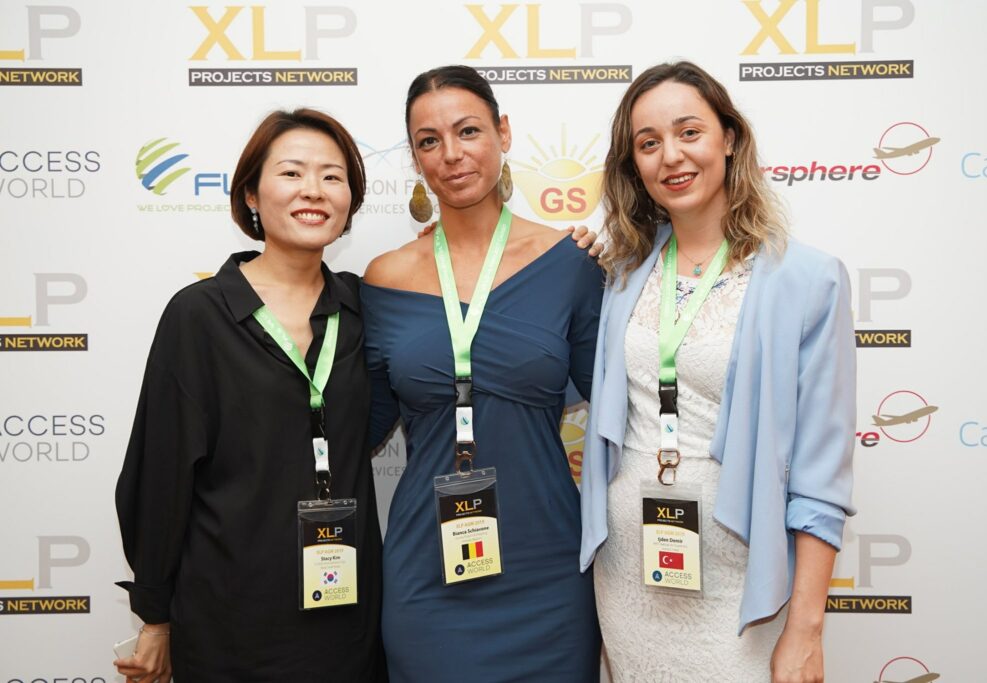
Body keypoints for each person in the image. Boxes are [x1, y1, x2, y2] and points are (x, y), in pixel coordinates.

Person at [580, 61, 856, 683]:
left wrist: (807, 629)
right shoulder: (620, 274)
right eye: (648, 143)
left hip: (742, 588)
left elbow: (821, 476)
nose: (671, 156)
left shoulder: (808, 280)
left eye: (689, 132)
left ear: (729, 138)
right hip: (629, 573)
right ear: (633, 165)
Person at [114, 109, 386, 681]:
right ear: (251, 195)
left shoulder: (367, 309)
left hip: (345, 619)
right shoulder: (199, 316)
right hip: (228, 621)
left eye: (332, 176)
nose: (313, 190)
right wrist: (155, 617)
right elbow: (159, 476)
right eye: (292, 172)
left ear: (350, 200)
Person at [361, 65, 603, 682]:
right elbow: (355, 426)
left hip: (548, 571)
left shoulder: (569, 263)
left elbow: (621, 406)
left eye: (468, 131)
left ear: (504, 133)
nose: (451, 154)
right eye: (429, 140)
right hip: (427, 572)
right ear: (415, 158)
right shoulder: (384, 279)